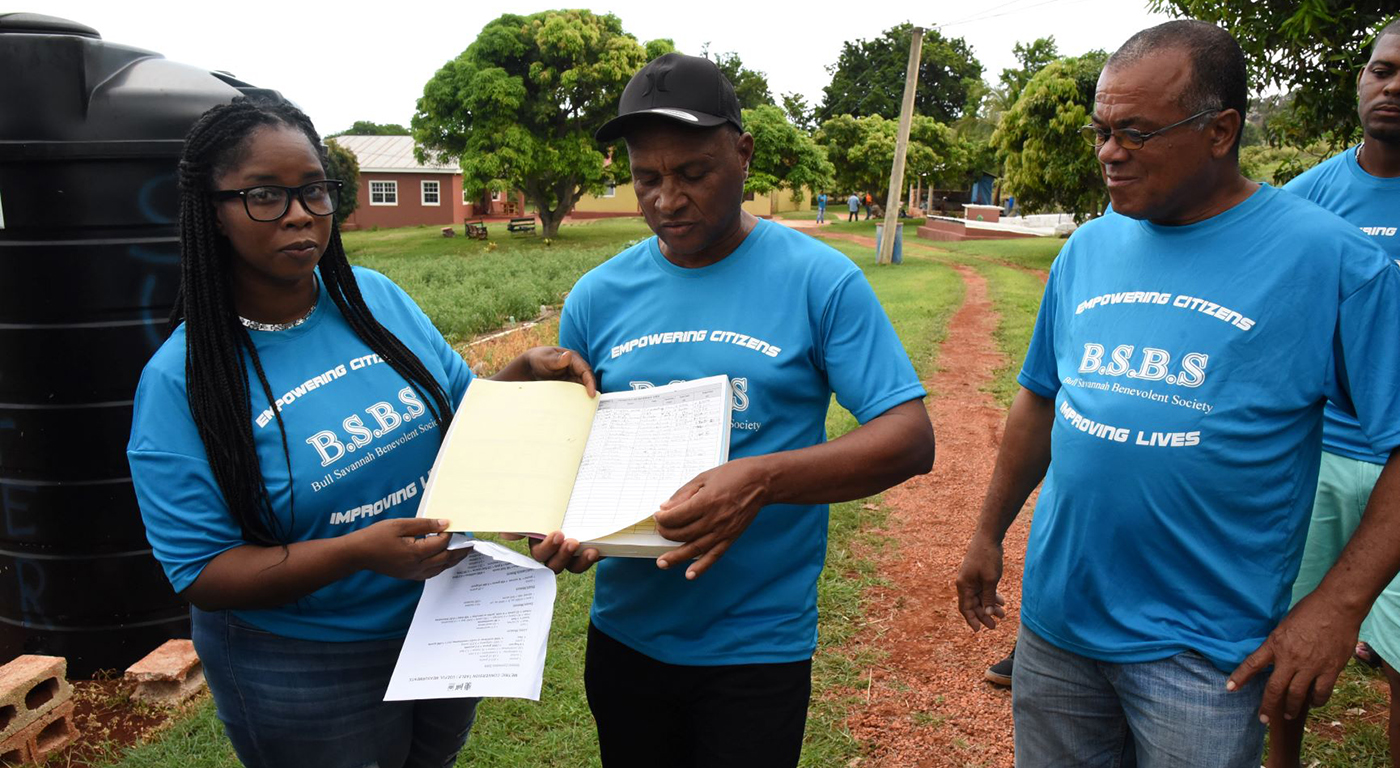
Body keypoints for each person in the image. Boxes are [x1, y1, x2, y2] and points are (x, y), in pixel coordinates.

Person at [954, 21, 1400, 767]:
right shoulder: (1089, 247)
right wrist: (986, 531)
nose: (1108, 152)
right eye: (1100, 130)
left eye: (1135, 131)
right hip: (1058, 631)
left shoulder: (1333, 262)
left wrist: (1337, 605)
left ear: (1221, 131)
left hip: (1202, 652)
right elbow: (1039, 399)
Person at [126, 97, 596, 768]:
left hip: (443, 621)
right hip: (304, 662)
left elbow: (466, 422)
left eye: (313, 190)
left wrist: (519, 374)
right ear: (213, 211)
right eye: (264, 195)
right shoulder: (182, 381)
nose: (297, 213)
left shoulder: (374, 299)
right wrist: (354, 552)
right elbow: (200, 570)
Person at [527, 52, 935, 767]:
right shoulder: (598, 295)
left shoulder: (818, 280)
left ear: (742, 154)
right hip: (626, 637)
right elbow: (574, 454)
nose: (666, 199)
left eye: (691, 173)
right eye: (646, 177)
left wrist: (761, 479)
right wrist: (562, 529)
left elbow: (908, 438)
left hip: (758, 644)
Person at [1271, 19, 1400, 768]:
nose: (1394, 87)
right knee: (1288, 631)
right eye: (1382, 70)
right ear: (1362, 79)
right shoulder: (1309, 199)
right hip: (1319, 452)